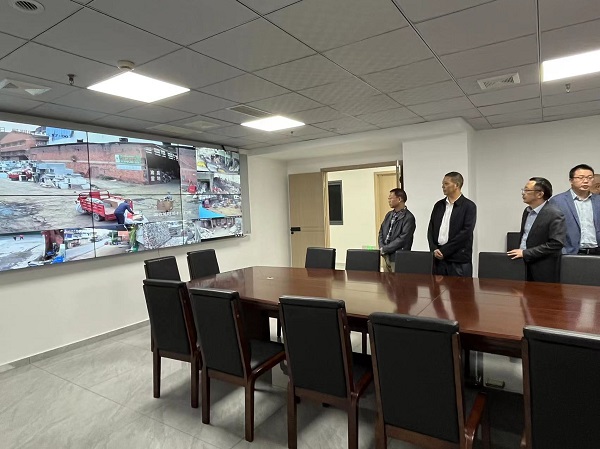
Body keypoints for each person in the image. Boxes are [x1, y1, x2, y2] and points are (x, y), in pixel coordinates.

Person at [507, 177, 566, 283]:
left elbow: (556, 244)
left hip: (542, 267)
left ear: (540, 194)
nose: (523, 193)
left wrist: (526, 253)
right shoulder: (527, 211)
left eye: (527, 190)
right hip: (522, 263)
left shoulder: (554, 214)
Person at [427, 172, 477, 277]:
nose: (443, 186)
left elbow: (465, 233)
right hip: (438, 259)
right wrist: (434, 249)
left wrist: (444, 251)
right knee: (436, 287)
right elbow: (431, 229)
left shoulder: (469, 206)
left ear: (456, 185)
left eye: (446, 184)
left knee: (460, 288)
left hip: (458, 261)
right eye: (443, 184)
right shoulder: (438, 205)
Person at [549, 164, 600, 255]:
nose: (586, 181)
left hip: (597, 252)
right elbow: (550, 230)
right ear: (571, 180)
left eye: (589, 178)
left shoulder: (598, 200)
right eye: (581, 178)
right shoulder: (558, 201)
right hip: (569, 253)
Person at [378, 188, 416, 272]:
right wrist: (381, 247)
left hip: (398, 257)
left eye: (391, 198)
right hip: (385, 255)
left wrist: (385, 249)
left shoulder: (409, 217)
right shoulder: (389, 215)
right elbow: (381, 231)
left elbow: (403, 239)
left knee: (397, 279)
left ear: (399, 199)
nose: (389, 200)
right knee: (385, 280)